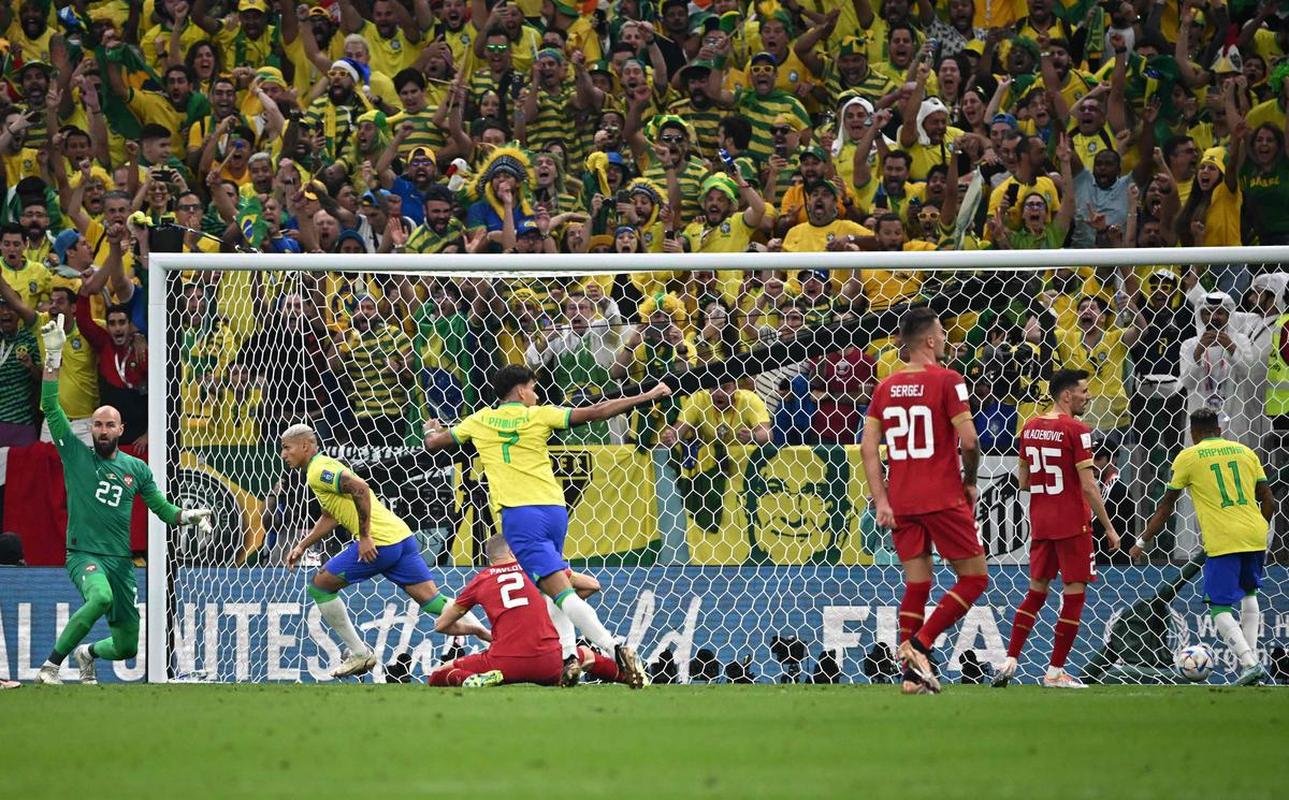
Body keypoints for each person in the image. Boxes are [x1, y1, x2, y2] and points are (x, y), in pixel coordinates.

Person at [422, 364, 671, 688]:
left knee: (561, 592)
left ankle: (615, 648)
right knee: (550, 589)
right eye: (533, 388)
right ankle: (568, 657)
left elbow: (435, 444)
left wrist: (430, 430)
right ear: (521, 390)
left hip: (520, 517)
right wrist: (648, 395)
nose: (536, 395)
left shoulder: (478, 420)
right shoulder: (539, 415)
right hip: (554, 511)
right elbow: (597, 411)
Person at [35, 315, 213, 685]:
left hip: (121, 562)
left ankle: (88, 653)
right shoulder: (76, 454)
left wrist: (189, 516)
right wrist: (53, 359)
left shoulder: (137, 469)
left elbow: (163, 510)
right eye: (98, 424)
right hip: (84, 553)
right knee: (99, 597)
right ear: (92, 428)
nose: (102, 430)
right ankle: (51, 666)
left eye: (109, 425)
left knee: (127, 645)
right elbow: (51, 407)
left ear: (120, 429)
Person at [280, 423, 489, 679]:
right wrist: (303, 544)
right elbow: (331, 514)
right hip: (401, 537)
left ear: (305, 446)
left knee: (320, 586)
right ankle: (494, 640)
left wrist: (365, 536)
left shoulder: (318, 470)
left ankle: (359, 653)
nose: (283, 454)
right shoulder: (324, 467)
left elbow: (360, 488)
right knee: (434, 602)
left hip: (380, 542)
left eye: (287, 448)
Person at [861, 306, 987, 694]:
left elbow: (868, 448)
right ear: (930, 340)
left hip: (902, 500)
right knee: (974, 578)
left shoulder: (885, 387)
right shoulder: (949, 380)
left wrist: (881, 501)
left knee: (917, 584)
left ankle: (911, 677)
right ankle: (920, 644)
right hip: (942, 496)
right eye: (942, 333)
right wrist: (969, 481)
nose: (946, 339)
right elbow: (970, 441)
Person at [993, 369, 1120, 690]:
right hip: (1073, 523)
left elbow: (1023, 481)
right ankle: (1055, 671)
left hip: (1041, 521)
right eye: (1084, 391)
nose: (1088, 397)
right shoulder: (1078, 430)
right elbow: (1089, 486)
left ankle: (1010, 661)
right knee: (1074, 594)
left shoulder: (1029, 427)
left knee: (1036, 592)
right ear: (1067, 395)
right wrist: (1109, 527)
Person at [1135, 408, 1274, 686]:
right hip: (1255, 535)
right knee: (1249, 594)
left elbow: (1166, 506)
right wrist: (1259, 527)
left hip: (1223, 539)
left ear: (1192, 433)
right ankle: (1251, 669)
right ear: (1219, 430)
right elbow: (1268, 500)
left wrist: (1142, 540)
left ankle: (1249, 664)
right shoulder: (1246, 453)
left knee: (1218, 607)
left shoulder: (1188, 456)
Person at [428, 535, 630, 688]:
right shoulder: (537, 568)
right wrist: (558, 604)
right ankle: (631, 677)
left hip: (503, 664)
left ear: (491, 558)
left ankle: (470, 680)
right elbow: (593, 585)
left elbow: (441, 625)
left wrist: (478, 631)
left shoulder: (480, 581)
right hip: (549, 663)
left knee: (439, 673)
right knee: (587, 656)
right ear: (513, 551)